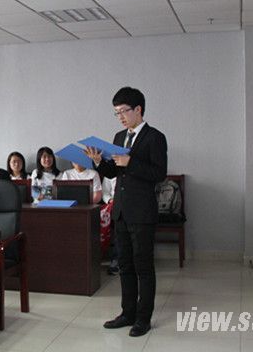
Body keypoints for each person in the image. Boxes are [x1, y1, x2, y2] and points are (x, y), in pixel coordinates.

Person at [86, 86, 167, 337]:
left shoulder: (155, 137)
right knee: (125, 265)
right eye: (116, 112)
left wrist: (131, 162)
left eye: (123, 111)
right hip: (120, 211)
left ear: (138, 109)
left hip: (142, 212)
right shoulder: (119, 136)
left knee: (143, 267)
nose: (120, 117)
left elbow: (158, 174)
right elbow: (113, 171)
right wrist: (98, 162)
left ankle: (143, 318)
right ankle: (127, 313)